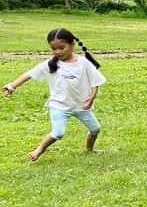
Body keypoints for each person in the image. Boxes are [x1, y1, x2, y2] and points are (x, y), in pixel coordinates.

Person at [3, 28, 106, 161]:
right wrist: (12, 85)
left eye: (61, 48)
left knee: (95, 129)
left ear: (72, 45)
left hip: (81, 106)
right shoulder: (50, 64)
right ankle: (39, 149)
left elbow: (95, 82)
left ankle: (89, 150)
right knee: (58, 133)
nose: (57, 52)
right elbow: (29, 74)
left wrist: (91, 98)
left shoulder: (83, 63)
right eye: (54, 49)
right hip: (59, 106)